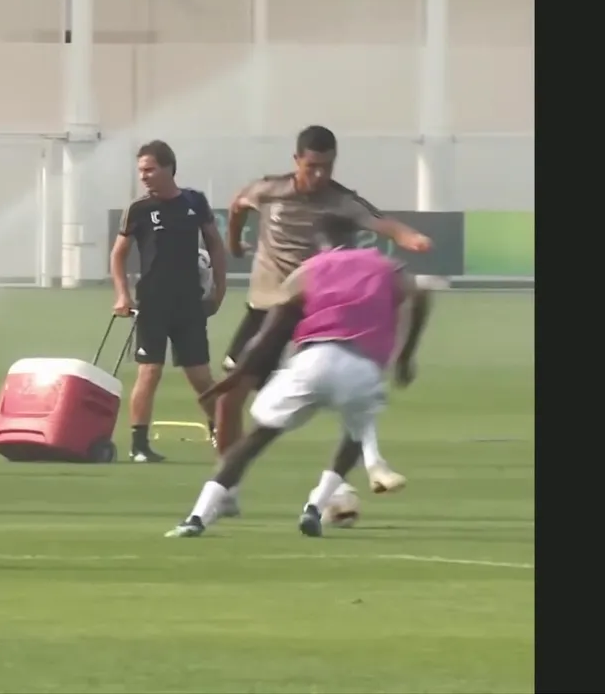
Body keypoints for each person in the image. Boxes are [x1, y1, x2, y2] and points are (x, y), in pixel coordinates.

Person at [211, 125, 432, 516]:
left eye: (327, 167)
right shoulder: (269, 190)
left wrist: (409, 237)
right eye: (312, 166)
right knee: (229, 397)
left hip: (314, 313)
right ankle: (227, 487)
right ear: (297, 160)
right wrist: (234, 243)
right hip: (265, 308)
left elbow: (381, 223)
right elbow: (238, 204)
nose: (319, 175)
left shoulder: (341, 201)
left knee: (332, 395)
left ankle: (338, 490)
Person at [165, 228, 433, 538]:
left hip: (312, 361)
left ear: (319, 245)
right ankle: (317, 505)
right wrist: (405, 356)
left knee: (256, 439)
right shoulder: (384, 266)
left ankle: (197, 517)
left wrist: (238, 375)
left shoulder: (310, 269)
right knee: (355, 436)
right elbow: (421, 294)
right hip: (361, 368)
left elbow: (271, 329)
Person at [110, 140, 229, 463]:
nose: (144, 176)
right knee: (149, 371)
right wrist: (122, 294)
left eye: (149, 170)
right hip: (152, 303)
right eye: (141, 171)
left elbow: (215, 245)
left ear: (168, 168)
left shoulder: (194, 202)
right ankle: (139, 445)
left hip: (189, 303)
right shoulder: (138, 209)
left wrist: (220, 288)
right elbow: (118, 255)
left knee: (200, 376)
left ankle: (222, 432)